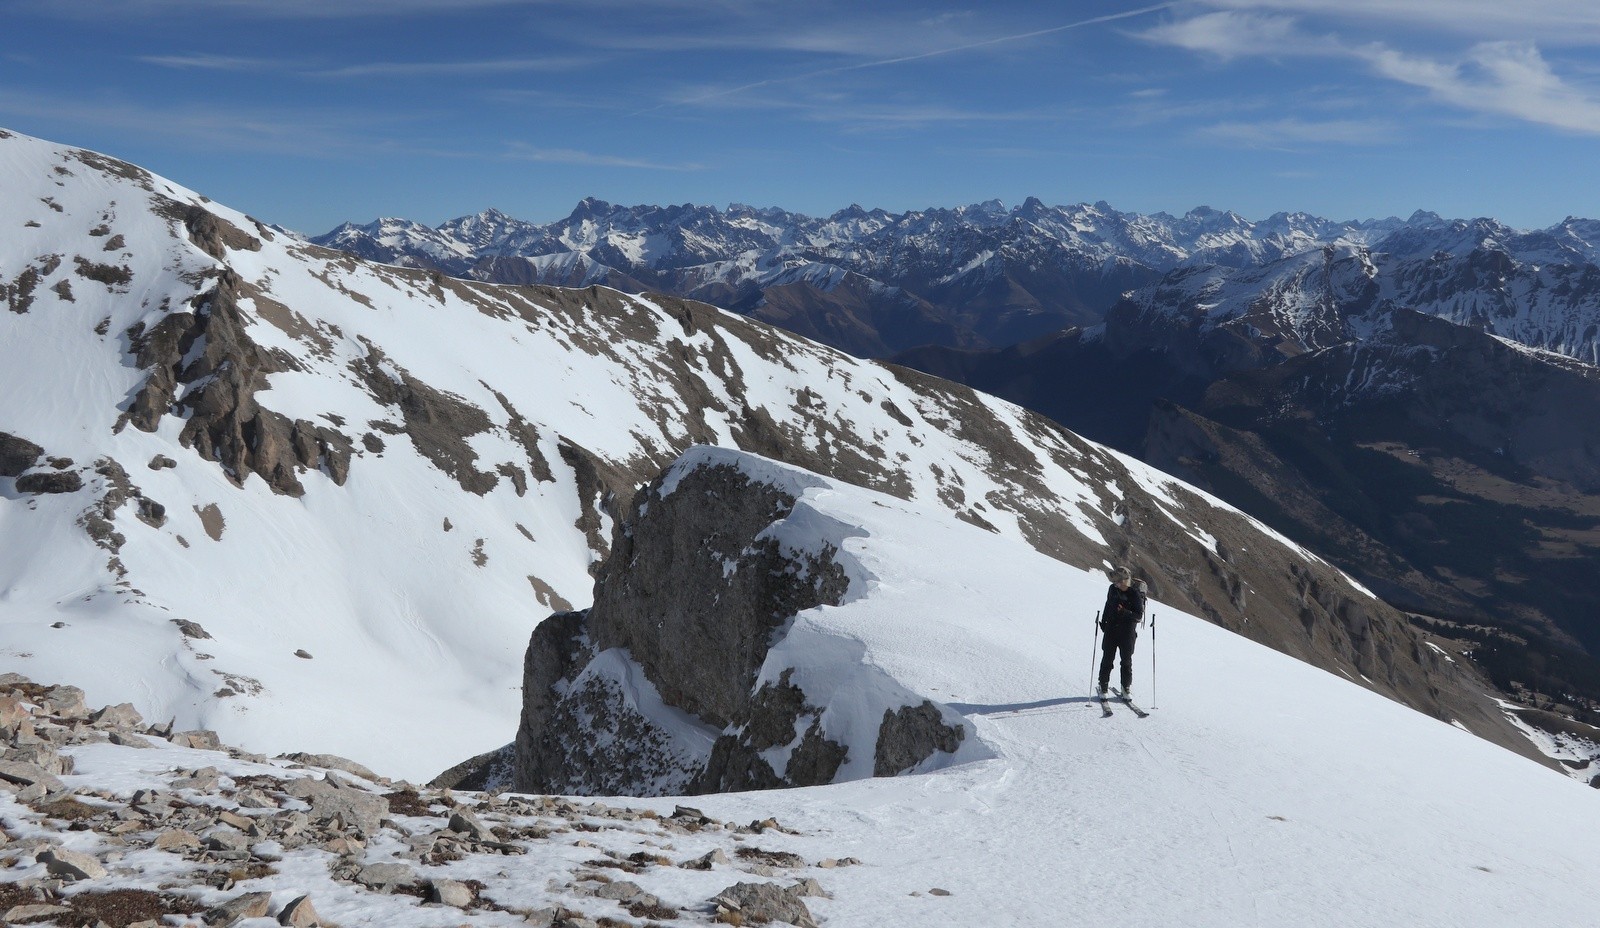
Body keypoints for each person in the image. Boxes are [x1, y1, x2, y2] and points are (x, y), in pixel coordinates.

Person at [1098, 566, 1147, 699]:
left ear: (1125, 581)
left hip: (1127, 632)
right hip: (1111, 628)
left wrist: (1125, 612)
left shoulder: (1135, 594)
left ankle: (1126, 687)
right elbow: (1107, 605)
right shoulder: (1112, 589)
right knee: (1107, 657)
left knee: (1126, 660)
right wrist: (1103, 621)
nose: (1115, 583)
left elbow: (1138, 616)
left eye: (1118, 581)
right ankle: (1103, 684)